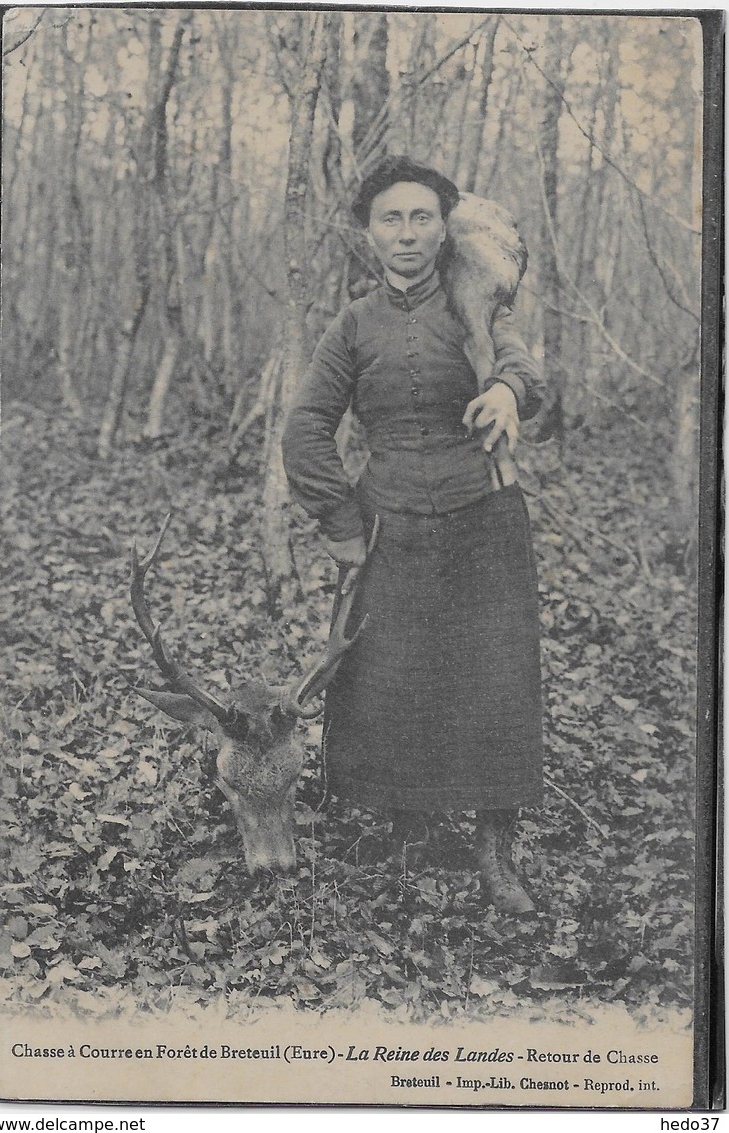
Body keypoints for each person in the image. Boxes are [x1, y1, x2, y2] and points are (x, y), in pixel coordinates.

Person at [282, 156, 545, 914]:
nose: (406, 233)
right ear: (368, 233)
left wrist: (502, 388)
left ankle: (495, 850)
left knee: (496, 682)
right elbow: (304, 428)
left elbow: (523, 364)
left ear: (442, 227)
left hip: (483, 519)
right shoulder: (352, 323)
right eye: (390, 218)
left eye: (421, 217)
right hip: (388, 523)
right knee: (397, 681)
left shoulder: (473, 297)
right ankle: (410, 825)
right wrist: (340, 525)